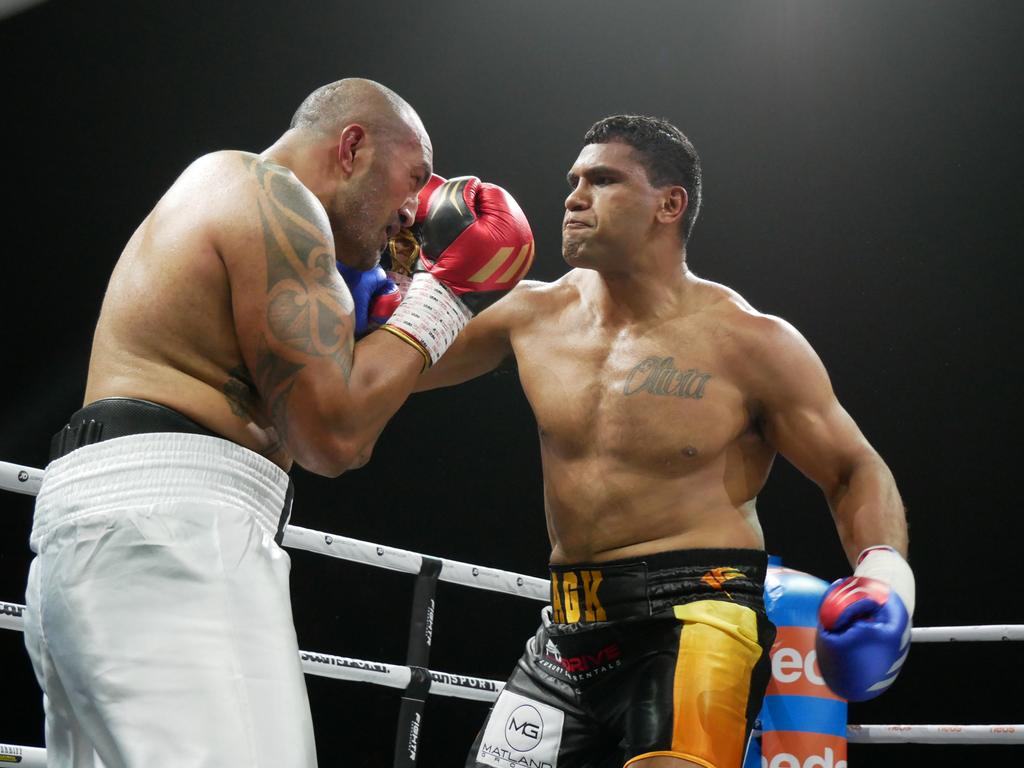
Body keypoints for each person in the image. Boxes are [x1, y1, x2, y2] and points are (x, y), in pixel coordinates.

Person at [22, 77, 533, 768]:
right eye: (413, 178)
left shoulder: (268, 229)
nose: (414, 212)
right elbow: (333, 436)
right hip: (172, 537)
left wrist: (492, 304)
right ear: (351, 146)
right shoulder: (269, 195)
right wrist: (444, 294)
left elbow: (381, 370)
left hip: (125, 538)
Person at [417, 115, 914, 768]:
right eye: (573, 180)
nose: (573, 196)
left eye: (602, 179)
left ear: (669, 204)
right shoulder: (529, 315)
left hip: (698, 615)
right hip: (567, 631)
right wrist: (413, 276)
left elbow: (852, 468)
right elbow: (390, 373)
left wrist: (884, 576)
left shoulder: (750, 342)